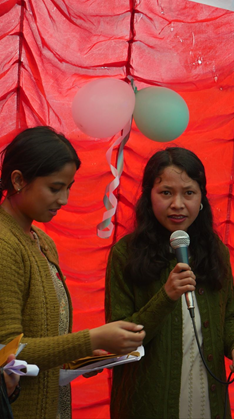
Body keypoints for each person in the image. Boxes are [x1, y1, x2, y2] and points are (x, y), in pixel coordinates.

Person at [0, 126, 146, 419]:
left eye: (69, 187)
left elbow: (45, 337)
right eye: (55, 188)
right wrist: (92, 339)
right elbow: (9, 352)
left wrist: (82, 356)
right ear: (18, 180)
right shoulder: (4, 245)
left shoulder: (43, 242)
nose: (64, 199)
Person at [105, 147, 234, 419]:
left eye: (189, 193)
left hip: (207, 399)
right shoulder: (125, 254)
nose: (178, 204)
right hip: (148, 403)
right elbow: (120, 340)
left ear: (202, 198)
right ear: (148, 196)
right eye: (166, 193)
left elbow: (228, 316)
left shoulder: (215, 251)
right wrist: (166, 296)